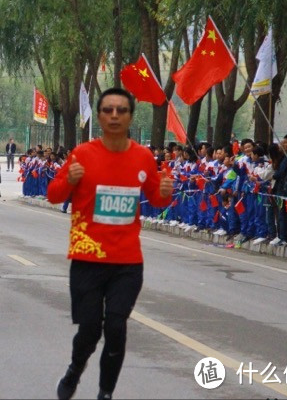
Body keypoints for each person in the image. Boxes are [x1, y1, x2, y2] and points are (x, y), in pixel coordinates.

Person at [47, 88, 173, 400]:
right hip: (87, 259)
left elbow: (156, 199)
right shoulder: (82, 155)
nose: (114, 116)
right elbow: (54, 194)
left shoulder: (143, 157)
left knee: (116, 328)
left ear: (130, 116)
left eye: (121, 110)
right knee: (90, 330)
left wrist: (166, 191)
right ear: (100, 116)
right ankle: (75, 370)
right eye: (108, 110)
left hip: (127, 263)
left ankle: (105, 393)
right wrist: (71, 180)